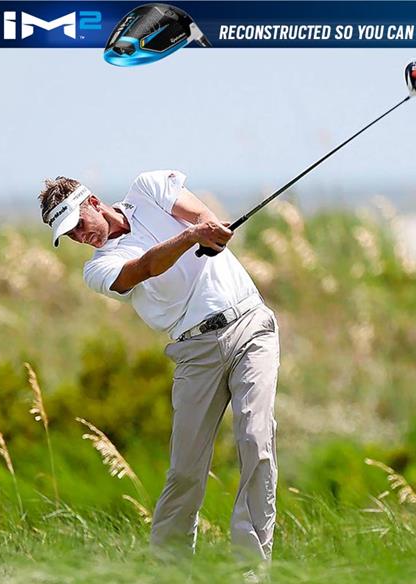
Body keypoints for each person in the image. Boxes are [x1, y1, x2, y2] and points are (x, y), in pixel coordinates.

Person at [37, 170, 279, 562]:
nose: (82, 237)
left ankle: (251, 569)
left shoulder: (148, 188)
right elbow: (145, 267)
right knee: (185, 471)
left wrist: (207, 228)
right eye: (72, 236)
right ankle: (169, 570)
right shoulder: (98, 269)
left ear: (94, 202)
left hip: (251, 325)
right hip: (195, 350)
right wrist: (191, 237)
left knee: (255, 441)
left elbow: (200, 215)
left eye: (80, 224)